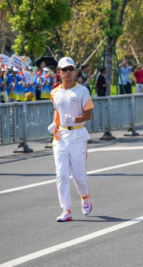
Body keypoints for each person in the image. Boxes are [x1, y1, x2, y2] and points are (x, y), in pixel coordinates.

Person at [47, 57, 94, 222]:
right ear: (58, 72)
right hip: (59, 137)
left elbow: (88, 114)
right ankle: (66, 210)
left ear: (74, 71)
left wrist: (74, 120)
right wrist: (54, 123)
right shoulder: (54, 93)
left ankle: (85, 196)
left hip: (77, 136)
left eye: (71, 69)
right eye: (64, 69)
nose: (68, 72)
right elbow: (57, 111)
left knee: (79, 176)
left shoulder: (82, 91)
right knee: (61, 174)